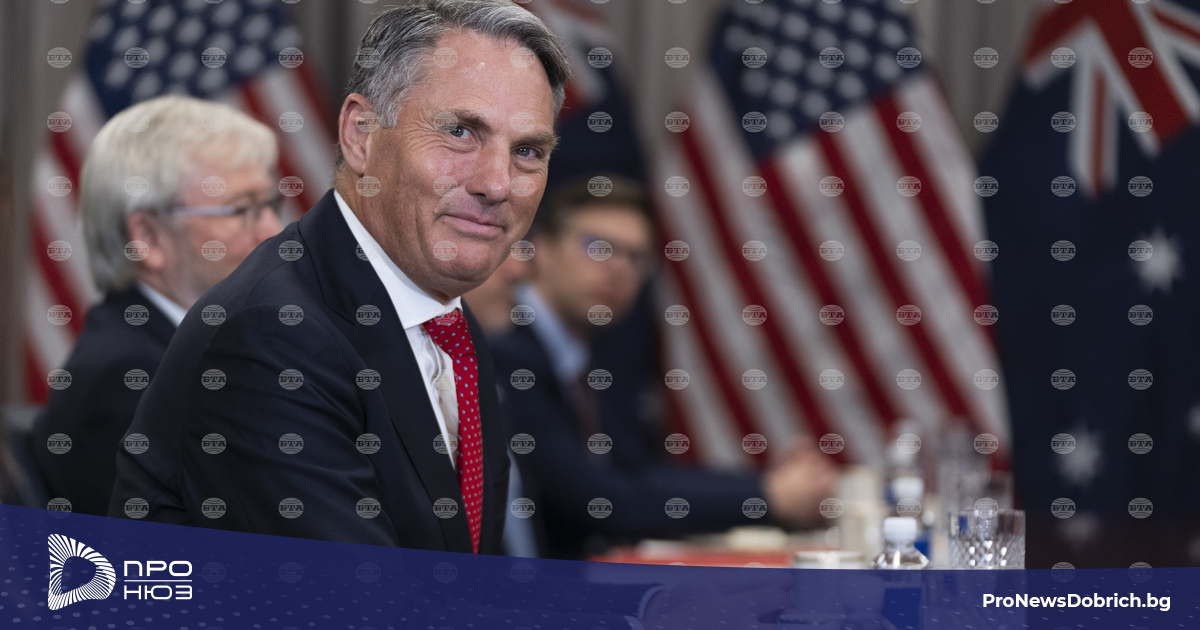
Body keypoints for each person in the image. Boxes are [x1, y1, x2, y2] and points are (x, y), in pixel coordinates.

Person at [109, 0, 570, 555]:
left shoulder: (447, 321)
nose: (497, 183)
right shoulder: (271, 336)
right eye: (459, 131)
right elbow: (356, 595)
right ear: (360, 135)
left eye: (527, 151)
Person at [490, 176, 838, 559]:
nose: (618, 268)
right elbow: (601, 502)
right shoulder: (507, 346)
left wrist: (766, 484)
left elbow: (635, 473)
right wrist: (768, 496)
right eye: (598, 247)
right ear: (542, 249)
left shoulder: (590, 354)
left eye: (636, 257)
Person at [28, 95, 282, 516]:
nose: (274, 231)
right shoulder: (126, 378)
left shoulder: (192, 351)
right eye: (243, 209)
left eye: (270, 205)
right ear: (147, 237)